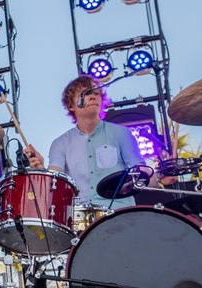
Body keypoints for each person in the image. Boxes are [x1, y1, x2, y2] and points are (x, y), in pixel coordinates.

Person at [25, 74, 149, 208]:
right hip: (81, 220)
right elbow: (54, 183)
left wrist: (159, 177)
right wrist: (41, 170)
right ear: (71, 105)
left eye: (96, 92)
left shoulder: (122, 133)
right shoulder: (60, 144)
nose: (92, 96)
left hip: (120, 213)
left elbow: (142, 173)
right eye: (85, 93)